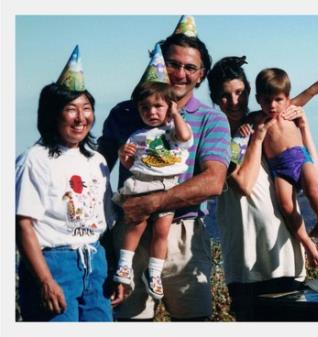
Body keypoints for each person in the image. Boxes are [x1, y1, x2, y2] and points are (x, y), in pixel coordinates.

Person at [98, 15, 231, 321]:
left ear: (201, 75)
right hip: (129, 232)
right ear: (159, 62)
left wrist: (151, 203)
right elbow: (99, 170)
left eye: (190, 68)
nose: (180, 74)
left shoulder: (211, 119)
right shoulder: (125, 112)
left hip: (182, 234)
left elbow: (212, 181)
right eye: (173, 64)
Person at [207, 56, 318, 321]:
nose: (234, 101)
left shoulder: (267, 117)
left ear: (249, 92)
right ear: (215, 99)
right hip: (245, 261)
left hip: (284, 255)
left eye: (239, 93)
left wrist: (305, 122)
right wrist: (257, 137)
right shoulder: (221, 136)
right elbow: (243, 184)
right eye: (225, 96)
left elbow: (306, 98)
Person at [16, 46, 114, 321]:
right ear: (52, 114)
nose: (81, 118)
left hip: (95, 262)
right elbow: (23, 224)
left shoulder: (96, 160)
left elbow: (105, 222)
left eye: (86, 109)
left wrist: (114, 269)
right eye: (71, 110)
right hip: (54, 264)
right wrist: (45, 281)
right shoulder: (36, 159)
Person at [111, 43, 193, 301]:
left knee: (161, 232)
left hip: (167, 187)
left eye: (158, 106)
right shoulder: (137, 135)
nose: (152, 112)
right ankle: (125, 266)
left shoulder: (172, 131)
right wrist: (123, 158)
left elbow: (185, 137)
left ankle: (154, 272)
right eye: (145, 108)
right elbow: (132, 165)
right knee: (136, 226)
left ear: (169, 107)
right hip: (143, 184)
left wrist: (177, 114)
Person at [254, 67, 318, 267]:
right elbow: (234, 123)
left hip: (299, 158)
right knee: (286, 206)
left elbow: (312, 91)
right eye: (266, 100)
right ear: (257, 99)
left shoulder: (290, 109)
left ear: (286, 98)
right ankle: (307, 243)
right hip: (280, 168)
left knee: (313, 188)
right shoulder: (257, 119)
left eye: (278, 99)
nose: (272, 105)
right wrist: (245, 127)